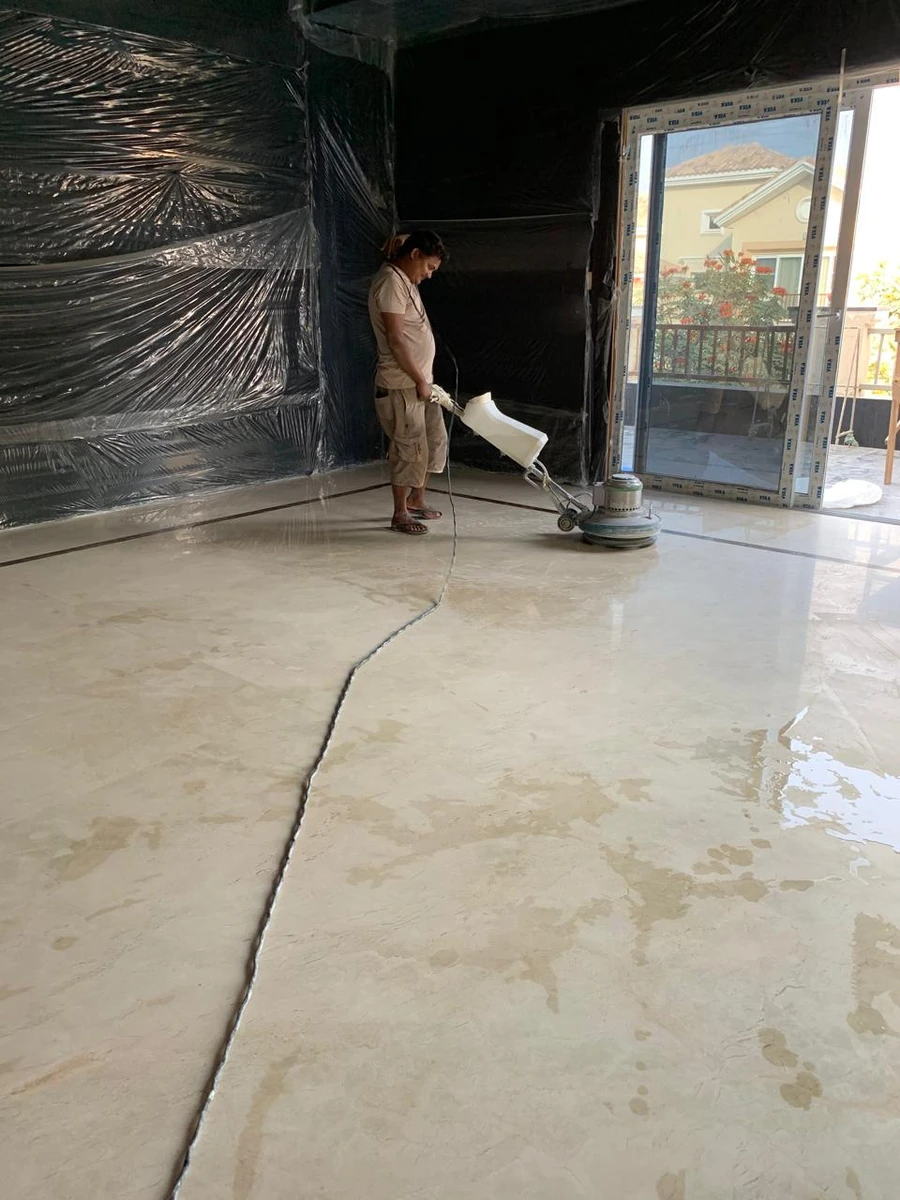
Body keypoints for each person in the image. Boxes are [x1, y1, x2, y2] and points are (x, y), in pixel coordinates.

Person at [368, 229, 448, 535]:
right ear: (414, 255)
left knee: (434, 441)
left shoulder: (406, 276)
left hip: (421, 383)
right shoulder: (391, 281)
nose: (429, 275)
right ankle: (400, 513)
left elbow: (409, 241)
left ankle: (417, 499)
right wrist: (418, 379)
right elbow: (396, 338)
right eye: (428, 267)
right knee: (408, 447)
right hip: (402, 384)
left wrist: (405, 239)